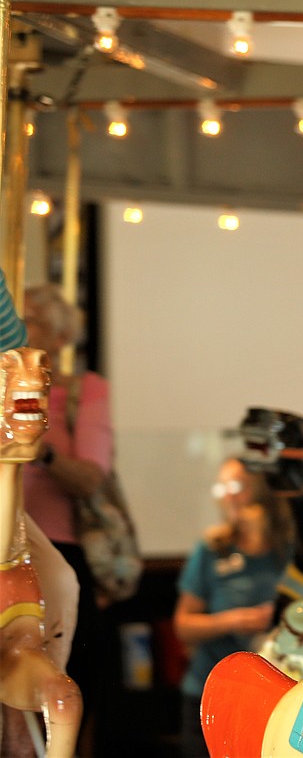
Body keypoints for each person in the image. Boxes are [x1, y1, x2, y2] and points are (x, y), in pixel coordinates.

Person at [20, 284, 111, 722]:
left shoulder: (82, 391)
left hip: (57, 541)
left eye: (30, 320)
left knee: (62, 585)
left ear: (57, 337)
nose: (15, 329)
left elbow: (92, 477)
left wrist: (42, 449)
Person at [173, 456, 292, 757]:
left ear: (262, 488)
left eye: (236, 485)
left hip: (280, 697)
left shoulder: (292, 549)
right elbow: (183, 625)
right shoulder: (213, 548)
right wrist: (234, 620)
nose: (228, 495)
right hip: (213, 694)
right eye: (222, 487)